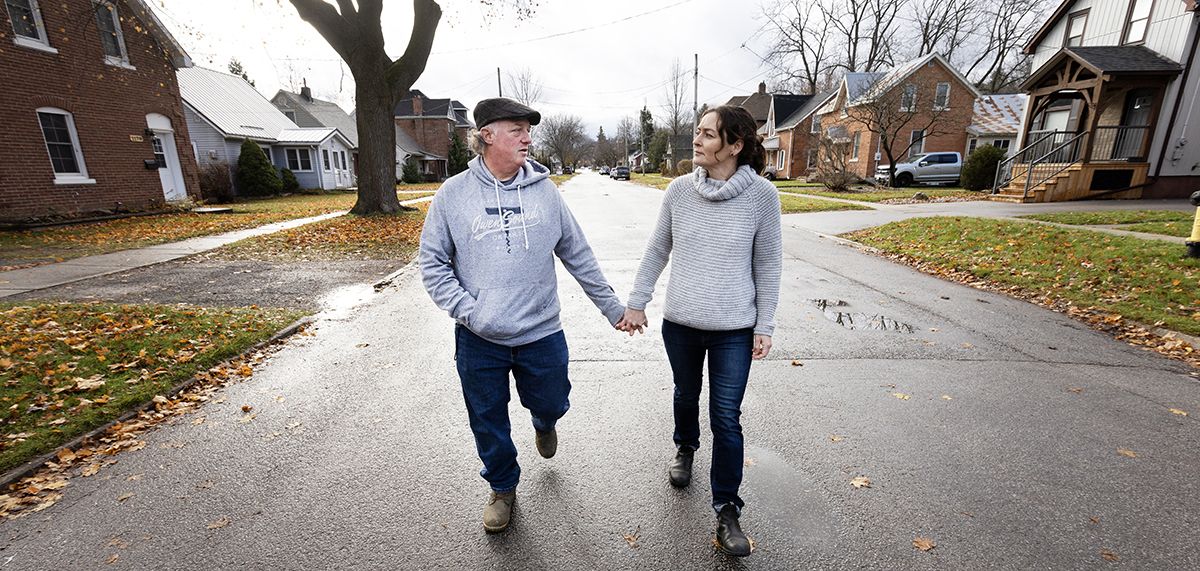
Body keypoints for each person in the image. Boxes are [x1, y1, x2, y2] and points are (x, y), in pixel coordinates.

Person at [419, 98, 626, 533]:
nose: (527, 137)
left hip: (541, 331)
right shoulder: (453, 195)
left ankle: (544, 420)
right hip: (479, 336)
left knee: (552, 398)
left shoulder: (545, 193)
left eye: (528, 130)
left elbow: (577, 253)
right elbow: (433, 264)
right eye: (517, 129)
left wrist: (612, 308)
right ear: (487, 135)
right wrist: (469, 311)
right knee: (487, 417)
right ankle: (502, 487)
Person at [617, 105, 782, 557]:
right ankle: (685, 447)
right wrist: (637, 301)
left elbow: (767, 264)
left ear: (735, 145)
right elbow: (657, 250)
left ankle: (727, 509)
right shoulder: (678, 192)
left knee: (726, 415)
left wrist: (764, 324)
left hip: (734, 329)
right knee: (686, 394)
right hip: (682, 324)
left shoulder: (763, 197)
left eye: (709, 135)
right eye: (698, 131)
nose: (698, 140)